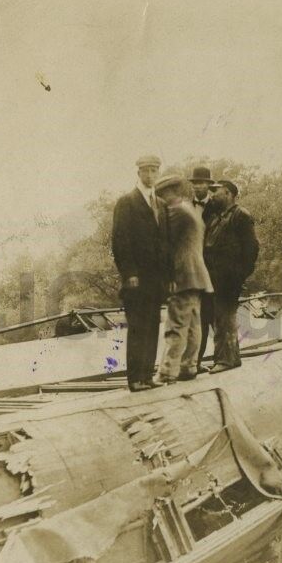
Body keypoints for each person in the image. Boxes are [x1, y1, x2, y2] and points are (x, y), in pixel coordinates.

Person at [111, 155, 167, 392]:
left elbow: (166, 244)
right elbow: (120, 241)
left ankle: (147, 375)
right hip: (137, 279)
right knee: (138, 327)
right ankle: (135, 378)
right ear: (139, 173)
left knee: (153, 325)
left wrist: (169, 276)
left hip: (156, 279)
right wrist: (129, 272)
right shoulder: (127, 202)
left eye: (155, 171)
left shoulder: (161, 204)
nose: (151, 175)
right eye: (146, 171)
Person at [153, 175, 213, 384]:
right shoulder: (190, 209)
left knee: (176, 324)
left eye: (160, 195)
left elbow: (162, 243)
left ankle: (167, 371)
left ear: (166, 193)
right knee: (193, 323)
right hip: (197, 274)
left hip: (182, 274)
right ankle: (189, 366)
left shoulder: (174, 212)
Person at [203, 179, 259, 374]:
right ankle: (228, 358)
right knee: (220, 318)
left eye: (216, 192)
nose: (212, 196)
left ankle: (226, 360)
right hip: (215, 277)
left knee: (224, 317)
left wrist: (240, 275)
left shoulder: (240, 216)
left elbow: (251, 248)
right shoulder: (217, 217)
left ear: (228, 193)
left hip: (229, 278)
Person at [189, 165, 217, 365]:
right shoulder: (186, 208)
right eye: (195, 184)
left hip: (216, 270)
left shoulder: (219, 207)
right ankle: (195, 362)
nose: (198, 187)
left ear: (208, 185)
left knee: (219, 316)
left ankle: (224, 358)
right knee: (198, 319)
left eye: (201, 183)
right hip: (193, 271)